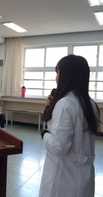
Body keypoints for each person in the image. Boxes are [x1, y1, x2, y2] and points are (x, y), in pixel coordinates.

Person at [39, 55, 100, 197]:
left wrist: (44, 134)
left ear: (66, 75)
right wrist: (50, 106)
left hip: (62, 176)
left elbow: (59, 147)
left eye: (58, 73)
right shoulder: (90, 104)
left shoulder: (66, 103)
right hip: (83, 175)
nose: (56, 78)